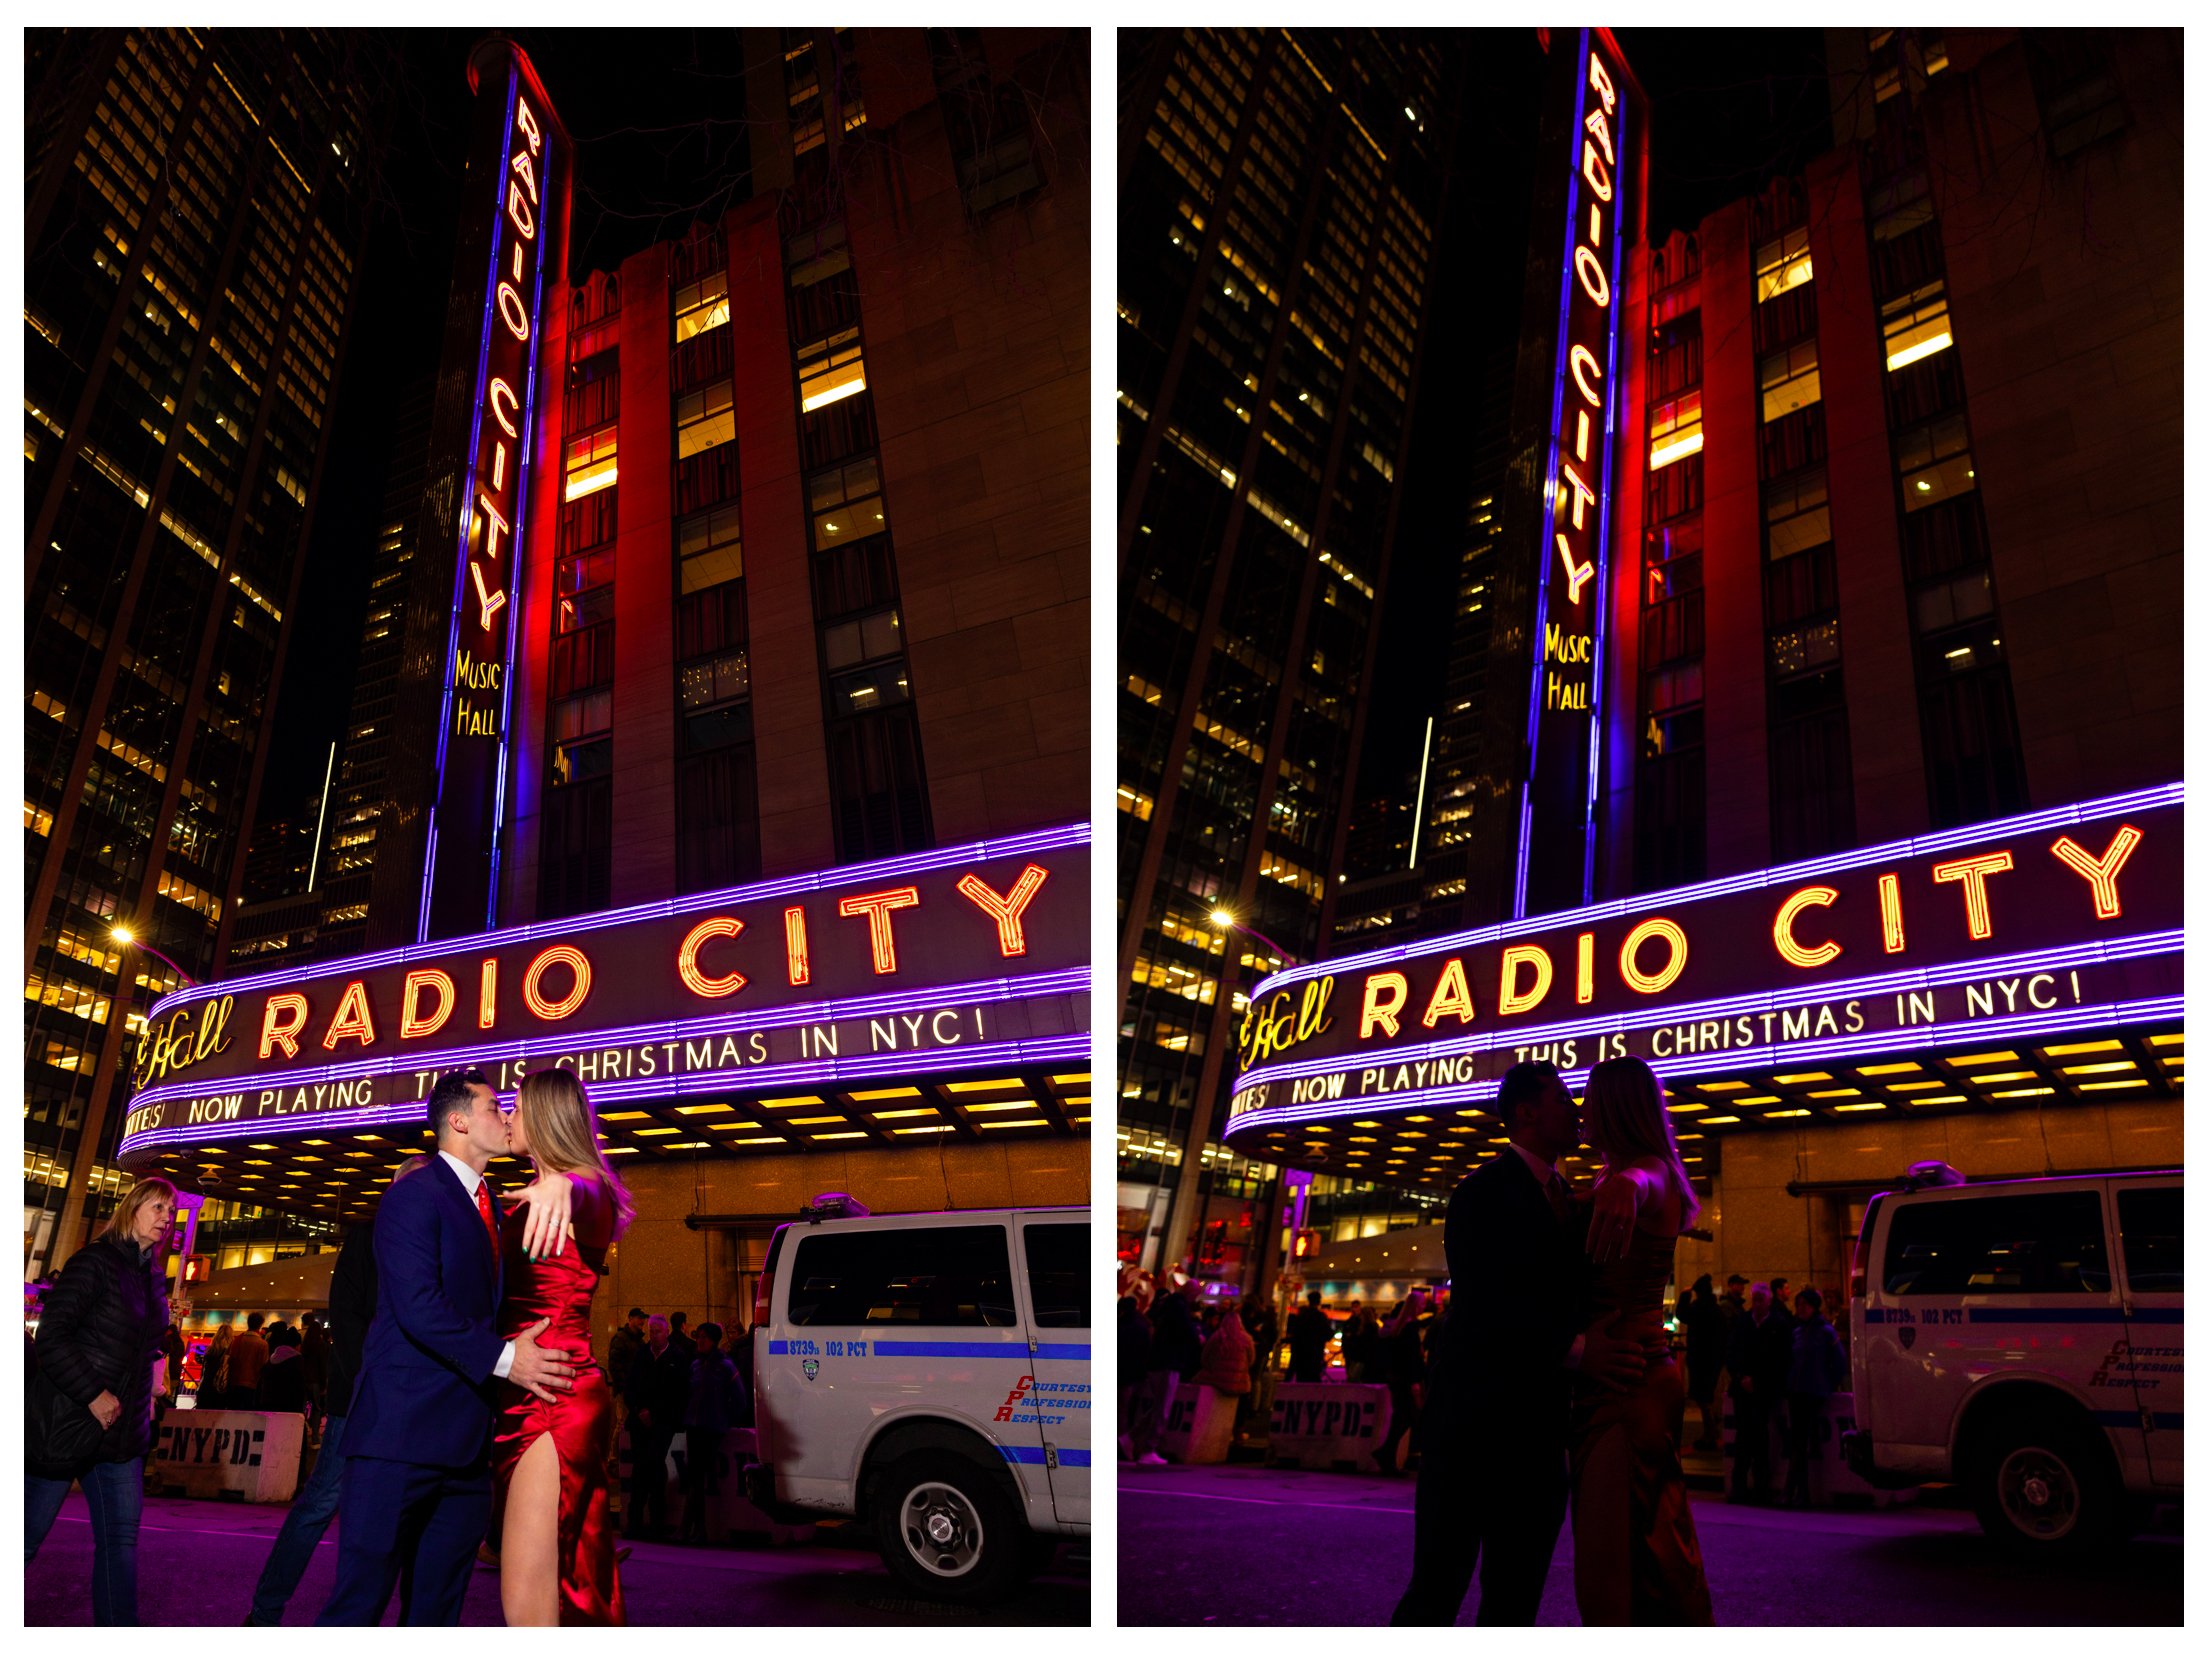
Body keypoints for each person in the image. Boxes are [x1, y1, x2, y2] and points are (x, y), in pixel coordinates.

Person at [1391, 1062, 1654, 1626]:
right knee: (1437, 1588)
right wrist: (1581, 1350)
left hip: (1539, 1438)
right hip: (1469, 1432)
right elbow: (1487, 1304)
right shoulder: (1480, 1194)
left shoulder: (1576, 1198)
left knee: (1515, 1598)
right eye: (1563, 1099)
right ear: (1527, 1112)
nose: (1576, 1109)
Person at [316, 1069, 580, 1625]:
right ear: (458, 1121)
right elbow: (419, 1308)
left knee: (437, 1612)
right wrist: (510, 1360)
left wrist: (563, 1179)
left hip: (464, 1452)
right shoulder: (414, 1194)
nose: (507, 1117)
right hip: (399, 1440)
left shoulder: (496, 1206)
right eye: (494, 1108)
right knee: (358, 1605)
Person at [1569, 1057, 1714, 1625]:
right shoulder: (1616, 1172)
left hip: (1628, 1383)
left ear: (1614, 1107)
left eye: (1590, 1098)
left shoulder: (1643, 1170)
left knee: (1614, 1557)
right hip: (1627, 1375)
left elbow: (1648, 1181)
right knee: (1644, 1541)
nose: (1582, 1110)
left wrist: (1627, 1185)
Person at [491, 1065, 634, 1623]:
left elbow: (585, 1191)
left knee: (528, 1598)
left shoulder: (577, 1190)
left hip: (551, 1400)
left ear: (547, 1118)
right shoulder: (544, 1191)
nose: (509, 1117)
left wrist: (560, 1182)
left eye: (519, 1109)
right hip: (543, 1390)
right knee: (573, 1580)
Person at [26, 1175, 177, 1624]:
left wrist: (147, 1390)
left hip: (122, 1435)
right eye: (157, 1208)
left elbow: (147, 1346)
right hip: (67, 1423)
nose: (165, 1220)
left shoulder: (152, 1276)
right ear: (132, 1209)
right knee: (25, 1540)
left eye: (170, 1213)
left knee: (120, 1542)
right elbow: (51, 1337)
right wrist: (93, 1393)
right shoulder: (93, 1262)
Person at [247, 1216, 378, 1624]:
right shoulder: (368, 1235)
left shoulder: (423, 1232)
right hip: (360, 1397)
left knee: (372, 1514)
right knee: (322, 1502)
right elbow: (348, 1315)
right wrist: (368, 1382)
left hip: (387, 1398)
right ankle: (265, 1612)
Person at [1725, 1282, 1793, 1504]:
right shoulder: (1745, 1322)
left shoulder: (1776, 1325)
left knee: (1759, 1437)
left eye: (1759, 1300)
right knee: (1745, 1435)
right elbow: (1732, 1352)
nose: (1756, 1304)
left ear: (1768, 1302)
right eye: (1754, 1299)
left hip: (1762, 1389)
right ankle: (1741, 1485)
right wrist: (1741, 1376)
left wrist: (1755, 1380)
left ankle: (1759, 1486)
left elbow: (1780, 1359)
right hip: (1746, 1387)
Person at [623, 1313, 689, 1541]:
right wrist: (639, 1410)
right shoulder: (642, 1354)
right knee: (641, 1466)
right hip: (641, 1420)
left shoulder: (676, 1357)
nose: (653, 1336)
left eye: (657, 1332)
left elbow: (678, 1393)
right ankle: (636, 1521)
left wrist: (656, 1414)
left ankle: (655, 1520)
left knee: (653, 1464)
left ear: (666, 1332)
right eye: (651, 1332)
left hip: (663, 1422)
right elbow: (630, 1386)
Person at [1784, 1288, 1848, 1508]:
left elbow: (1839, 1361)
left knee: (1803, 1444)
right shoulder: (1798, 1331)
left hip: (1812, 1392)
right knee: (1798, 1444)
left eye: (1804, 1304)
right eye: (1798, 1304)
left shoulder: (1825, 1331)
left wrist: (1827, 1385)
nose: (1800, 1309)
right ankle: (1796, 1491)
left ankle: (1797, 1492)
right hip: (1797, 1391)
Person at [681, 1321, 740, 1542]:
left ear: (714, 1341)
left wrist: (725, 1420)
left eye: (704, 1337)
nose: (699, 1341)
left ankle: (695, 1528)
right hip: (695, 1426)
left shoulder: (724, 1365)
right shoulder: (696, 1365)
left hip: (711, 1428)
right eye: (698, 1337)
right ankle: (694, 1527)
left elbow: (739, 1397)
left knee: (697, 1477)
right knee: (694, 1477)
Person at [1134, 1273, 1200, 1465]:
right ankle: (1148, 1448)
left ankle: (1131, 1438)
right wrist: (1196, 1337)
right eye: (1195, 1295)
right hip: (1168, 1362)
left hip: (1158, 1361)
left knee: (1157, 1406)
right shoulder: (1179, 1309)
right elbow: (1186, 1333)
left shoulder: (1167, 1305)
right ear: (1191, 1293)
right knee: (1162, 1408)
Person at [1371, 1289, 1430, 1474]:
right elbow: (1411, 1359)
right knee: (1410, 1418)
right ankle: (1388, 1454)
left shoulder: (1396, 1328)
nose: (1423, 1308)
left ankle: (1386, 1455)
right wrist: (1415, 1382)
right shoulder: (1410, 1329)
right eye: (1421, 1305)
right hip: (1408, 1381)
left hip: (1397, 1380)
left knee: (1402, 1418)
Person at [1680, 1275, 1724, 1453]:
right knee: (1707, 1397)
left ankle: (1710, 1433)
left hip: (1700, 1360)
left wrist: (1684, 1297)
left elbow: (1682, 1314)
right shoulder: (1715, 1309)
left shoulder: (1698, 1308)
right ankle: (1710, 1432)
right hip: (1712, 1360)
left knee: (1702, 1398)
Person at [1117, 1276, 1154, 1461]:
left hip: (1122, 1371)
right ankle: (1121, 1442)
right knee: (1125, 1408)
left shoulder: (1121, 1325)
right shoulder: (1141, 1326)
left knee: (1121, 1408)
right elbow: (1145, 1351)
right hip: (1131, 1374)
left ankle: (1120, 1442)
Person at [1197, 1297, 1253, 1399]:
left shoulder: (1218, 1336)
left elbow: (1205, 1357)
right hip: (1239, 1382)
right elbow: (1251, 1359)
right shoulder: (1246, 1338)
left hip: (1217, 1380)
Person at [1285, 1289, 1333, 1382]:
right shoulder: (1320, 1317)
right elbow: (1328, 1334)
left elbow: (1294, 1333)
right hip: (1315, 1353)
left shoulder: (1301, 1316)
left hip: (1300, 1352)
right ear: (1319, 1301)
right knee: (1313, 1380)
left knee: (1300, 1378)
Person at [227, 1311, 271, 1406]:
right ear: (260, 1325)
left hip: (235, 1382)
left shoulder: (237, 1340)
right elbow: (263, 1365)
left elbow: (231, 1360)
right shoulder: (262, 1344)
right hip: (252, 1385)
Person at [607, 1308, 648, 1401]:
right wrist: (624, 1386)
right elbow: (614, 1365)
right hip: (625, 1392)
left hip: (636, 1391)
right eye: (639, 1318)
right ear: (630, 1318)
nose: (642, 1321)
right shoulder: (620, 1338)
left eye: (643, 1318)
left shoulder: (639, 1341)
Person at [1340, 1300, 1376, 1381]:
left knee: (1354, 1375)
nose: (1354, 1309)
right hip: (1353, 1352)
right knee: (1353, 1374)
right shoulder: (1351, 1321)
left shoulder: (1363, 1325)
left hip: (1358, 1354)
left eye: (1356, 1307)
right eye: (1353, 1307)